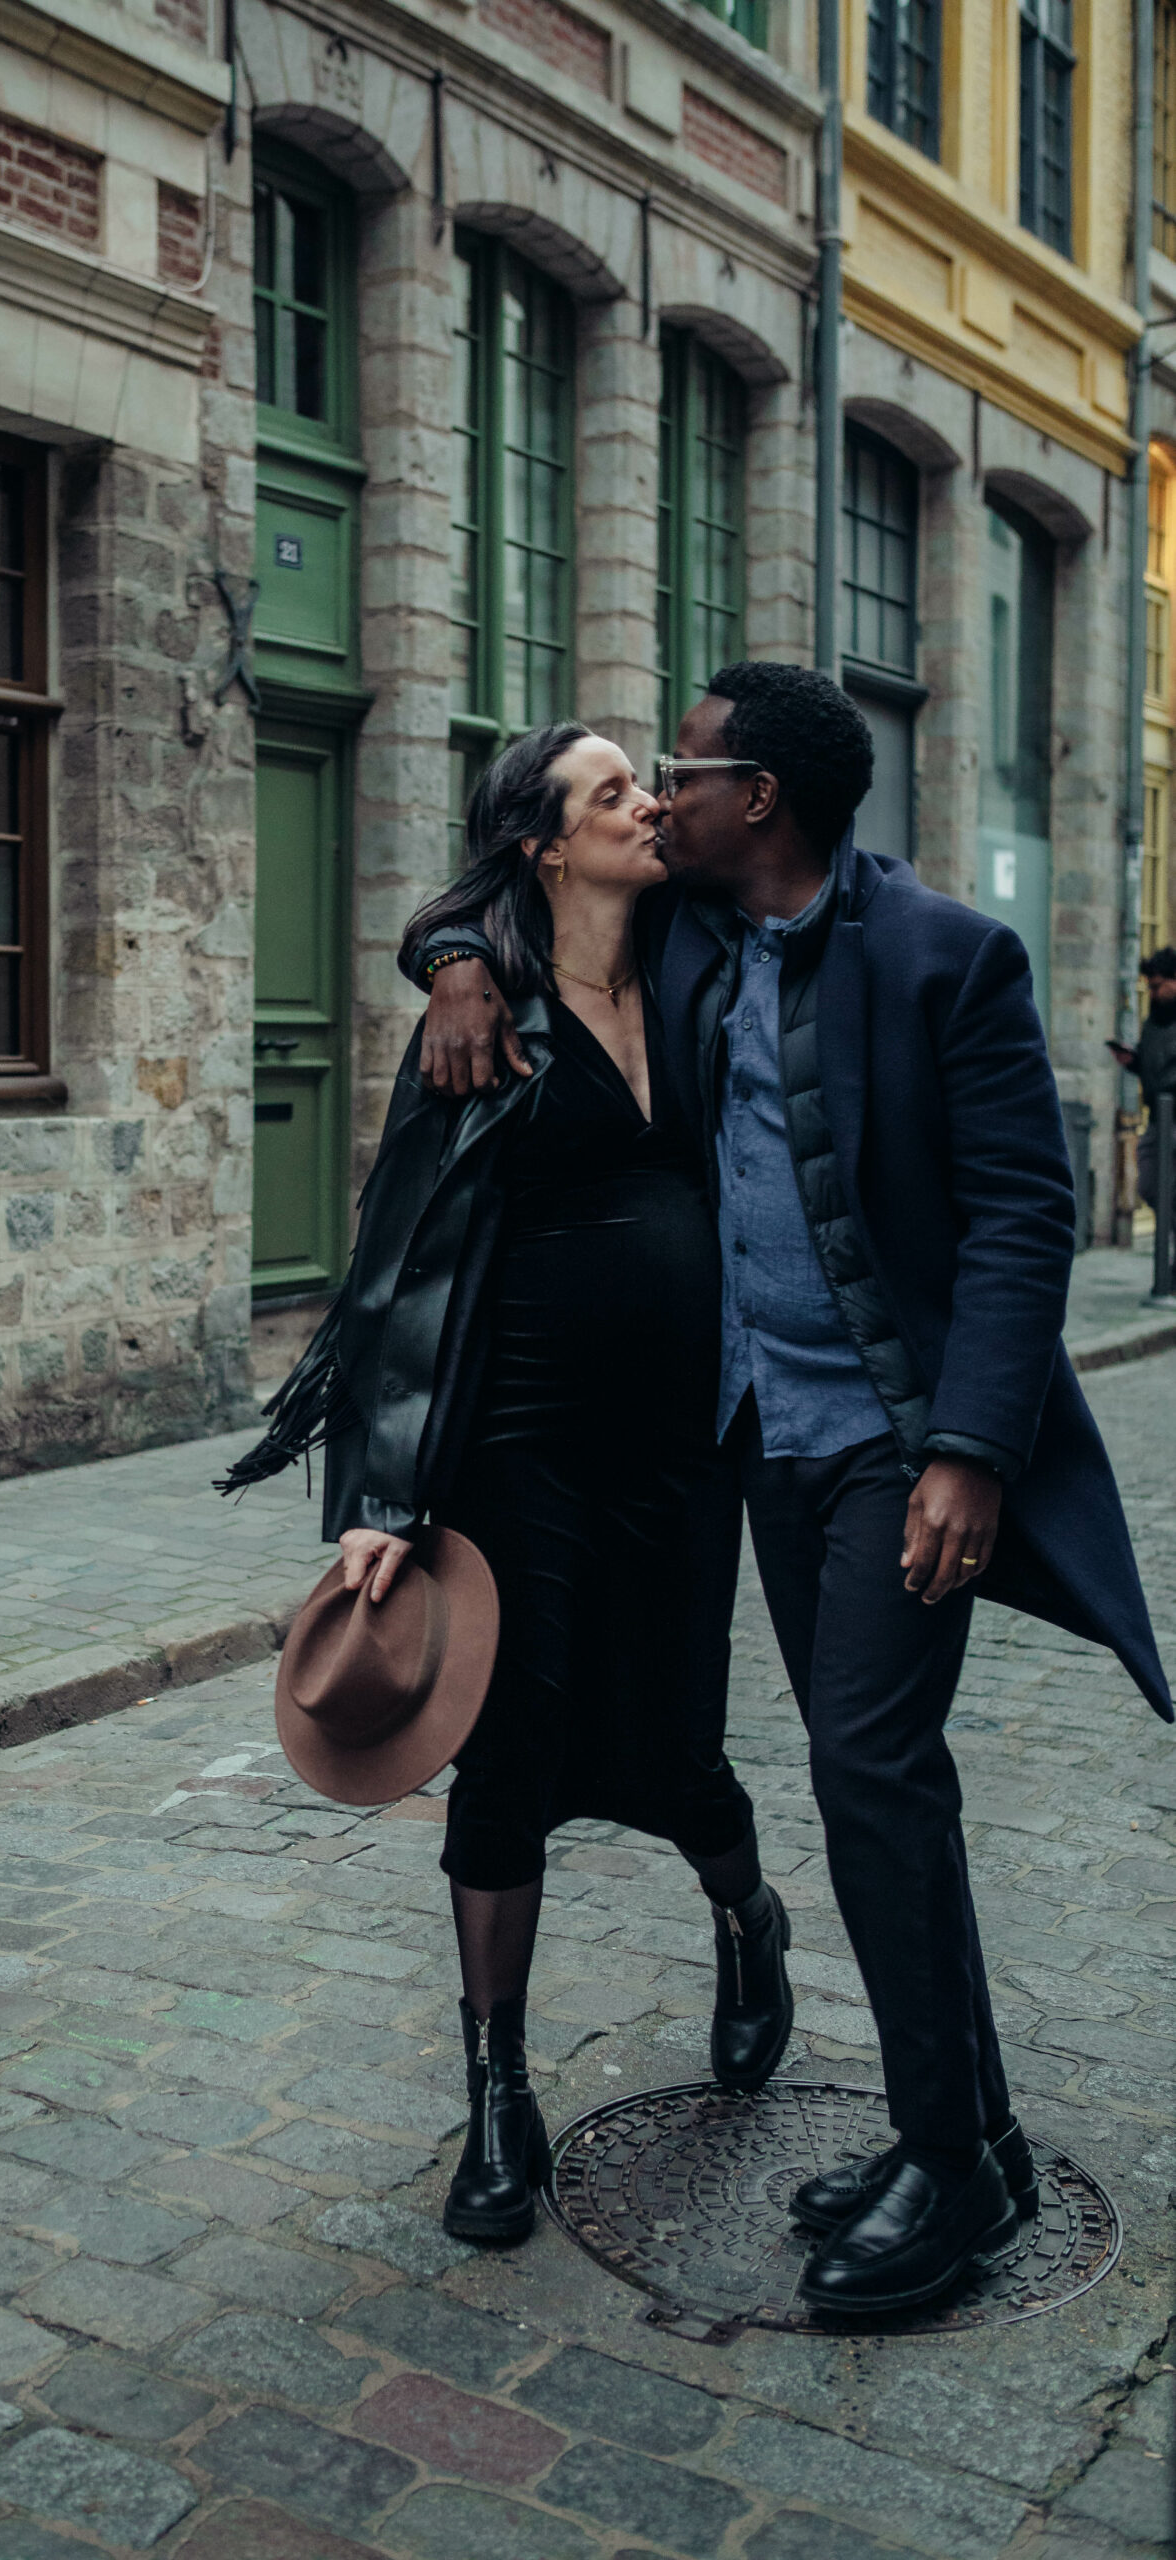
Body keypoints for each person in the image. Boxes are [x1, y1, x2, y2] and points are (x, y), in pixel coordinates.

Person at [410, 663, 1171, 2315]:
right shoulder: (693, 934)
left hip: (897, 1448)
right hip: (760, 1443)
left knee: (869, 1769)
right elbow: (504, 877)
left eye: (678, 768)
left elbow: (1022, 1215)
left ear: (754, 798)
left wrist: (968, 1450)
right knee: (871, 1778)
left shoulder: (945, 956)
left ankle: (948, 2161)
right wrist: (453, 963)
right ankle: (968, 2135)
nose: (657, 792)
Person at [223, 724, 793, 2247]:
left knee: (678, 1743)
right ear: (544, 845)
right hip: (518, 1439)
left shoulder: (694, 953)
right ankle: (497, 2091)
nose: (648, 803)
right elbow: (396, 1268)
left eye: (644, 783)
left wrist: (448, 945)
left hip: (680, 1445)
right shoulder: (486, 1016)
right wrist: (380, 1503)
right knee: (509, 1755)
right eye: (613, 792)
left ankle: (750, 1920)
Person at [1107, 945, 1176, 1208]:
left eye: (1158, 986)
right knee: (1149, 1184)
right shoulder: (1154, 1020)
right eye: (1150, 987)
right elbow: (1154, 1064)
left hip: (1173, 1112)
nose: (1153, 993)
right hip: (1158, 1116)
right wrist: (1133, 1061)